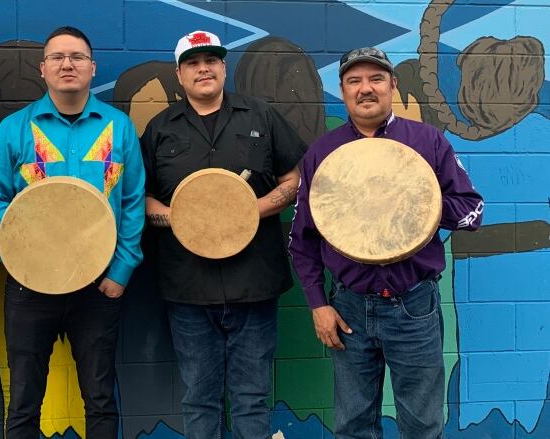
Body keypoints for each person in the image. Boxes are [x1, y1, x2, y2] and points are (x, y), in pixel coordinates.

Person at [288, 47, 484, 439]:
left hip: (413, 305)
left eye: (376, 79)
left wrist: (415, 200)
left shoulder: (427, 142)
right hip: (347, 308)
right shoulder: (323, 154)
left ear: (393, 85)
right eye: (354, 81)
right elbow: (302, 240)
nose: (366, 89)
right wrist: (318, 304)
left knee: (422, 424)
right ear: (342, 91)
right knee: (353, 424)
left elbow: (472, 211)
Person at [0, 26, 145, 439]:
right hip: (30, 286)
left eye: (77, 57)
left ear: (92, 67)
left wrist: (120, 273)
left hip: (99, 288)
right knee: (25, 400)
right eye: (58, 57)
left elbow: (134, 203)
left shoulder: (119, 129)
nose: (68, 64)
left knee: (100, 399)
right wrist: (25, 233)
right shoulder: (14, 130)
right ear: (43, 69)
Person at [140, 30, 307, 439]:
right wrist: (185, 221)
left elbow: (296, 177)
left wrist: (250, 210)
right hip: (187, 288)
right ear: (180, 74)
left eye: (211, 60)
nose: (203, 69)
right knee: (199, 398)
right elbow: (140, 198)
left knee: (252, 397)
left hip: (255, 282)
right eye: (193, 63)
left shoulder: (261, 116)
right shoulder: (160, 130)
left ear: (223, 67)